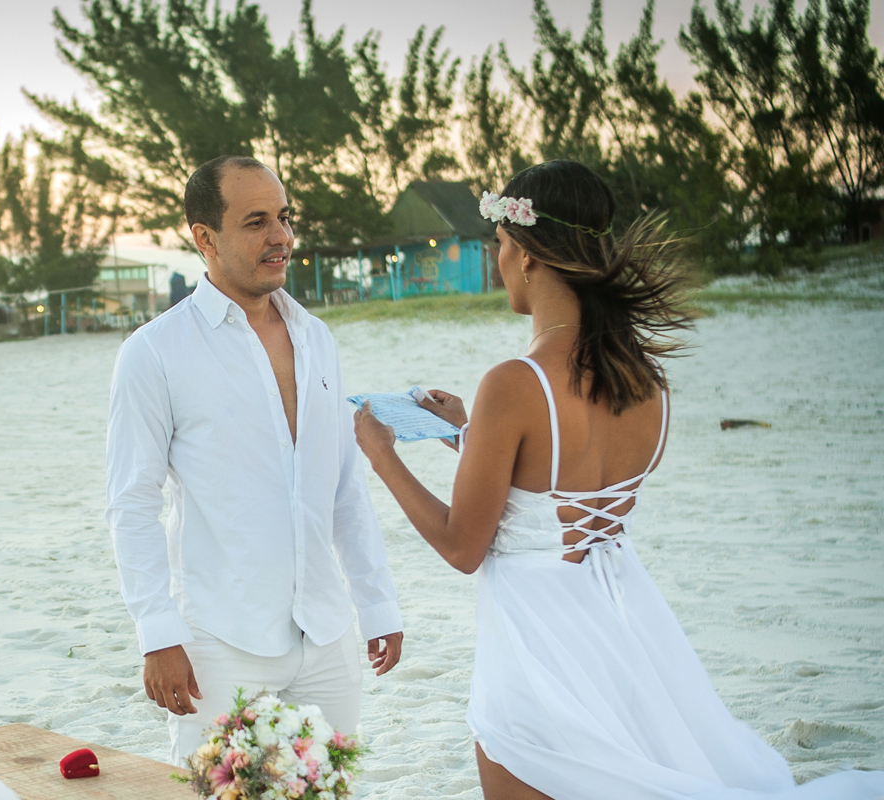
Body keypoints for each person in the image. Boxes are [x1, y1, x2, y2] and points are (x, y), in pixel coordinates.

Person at [353, 160, 884, 799]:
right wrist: (467, 434)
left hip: (536, 638)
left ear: (524, 253)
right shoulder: (646, 381)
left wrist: (384, 455)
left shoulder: (514, 384)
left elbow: (465, 547)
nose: (497, 260)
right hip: (622, 623)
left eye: (498, 244)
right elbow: (561, 482)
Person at [106, 154, 404, 766]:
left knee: (326, 788)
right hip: (219, 641)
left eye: (285, 217)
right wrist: (158, 635)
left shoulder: (317, 338)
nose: (281, 237)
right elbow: (132, 503)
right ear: (204, 237)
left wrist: (375, 603)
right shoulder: (154, 353)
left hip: (326, 635)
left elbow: (343, 485)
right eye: (256, 221)